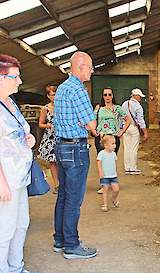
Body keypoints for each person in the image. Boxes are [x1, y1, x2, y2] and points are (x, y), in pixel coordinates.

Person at [0, 54, 41, 273]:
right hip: (6, 179)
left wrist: (29, 138)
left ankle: (15, 267)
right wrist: (2, 182)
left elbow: (18, 133)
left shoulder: (10, 103)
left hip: (20, 175)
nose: (20, 81)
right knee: (4, 228)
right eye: (15, 76)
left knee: (21, 224)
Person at [53, 51, 98, 260]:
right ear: (80, 66)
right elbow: (92, 124)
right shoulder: (78, 89)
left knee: (63, 195)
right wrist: (88, 122)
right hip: (75, 148)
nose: (92, 70)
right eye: (90, 67)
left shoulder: (61, 88)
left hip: (61, 145)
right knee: (73, 199)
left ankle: (60, 239)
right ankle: (72, 245)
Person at [95, 87, 131, 155]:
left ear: (112, 96)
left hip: (113, 137)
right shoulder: (98, 107)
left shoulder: (117, 108)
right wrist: (93, 131)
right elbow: (92, 120)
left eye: (109, 94)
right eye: (105, 95)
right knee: (101, 160)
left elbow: (128, 119)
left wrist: (122, 131)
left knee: (111, 160)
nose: (107, 96)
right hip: (101, 137)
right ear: (102, 96)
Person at [122, 88, 148, 175]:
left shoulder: (124, 104)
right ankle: (133, 168)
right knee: (133, 148)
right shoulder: (138, 106)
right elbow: (140, 121)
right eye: (139, 96)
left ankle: (127, 167)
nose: (140, 98)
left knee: (127, 148)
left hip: (125, 127)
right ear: (135, 96)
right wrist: (145, 132)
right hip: (133, 127)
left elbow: (120, 116)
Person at [38, 85, 58, 194]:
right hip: (50, 138)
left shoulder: (62, 107)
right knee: (52, 162)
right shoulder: (45, 109)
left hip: (61, 136)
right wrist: (48, 125)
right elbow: (40, 124)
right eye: (52, 95)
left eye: (56, 94)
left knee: (61, 161)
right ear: (48, 96)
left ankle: (63, 183)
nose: (54, 97)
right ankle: (56, 184)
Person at [96, 135, 120, 212]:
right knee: (105, 190)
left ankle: (114, 198)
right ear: (106, 145)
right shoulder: (101, 154)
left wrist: (116, 172)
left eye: (115, 143)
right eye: (112, 144)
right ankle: (105, 204)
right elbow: (99, 163)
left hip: (113, 175)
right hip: (105, 176)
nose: (115, 145)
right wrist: (100, 173)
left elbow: (115, 163)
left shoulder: (113, 154)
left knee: (116, 189)